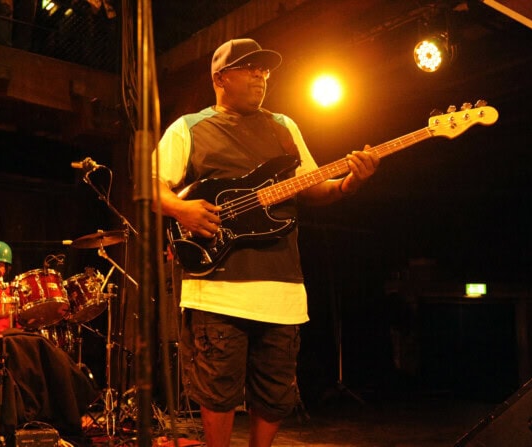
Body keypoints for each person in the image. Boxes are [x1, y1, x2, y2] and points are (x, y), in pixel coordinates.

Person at [152, 38, 380, 447]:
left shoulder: (284, 126)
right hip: (217, 289)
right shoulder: (189, 127)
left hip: (283, 289)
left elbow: (312, 186)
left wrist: (350, 182)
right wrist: (180, 209)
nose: (260, 76)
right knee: (217, 391)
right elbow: (149, 183)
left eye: (264, 70)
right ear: (220, 77)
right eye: (249, 68)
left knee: (275, 394)